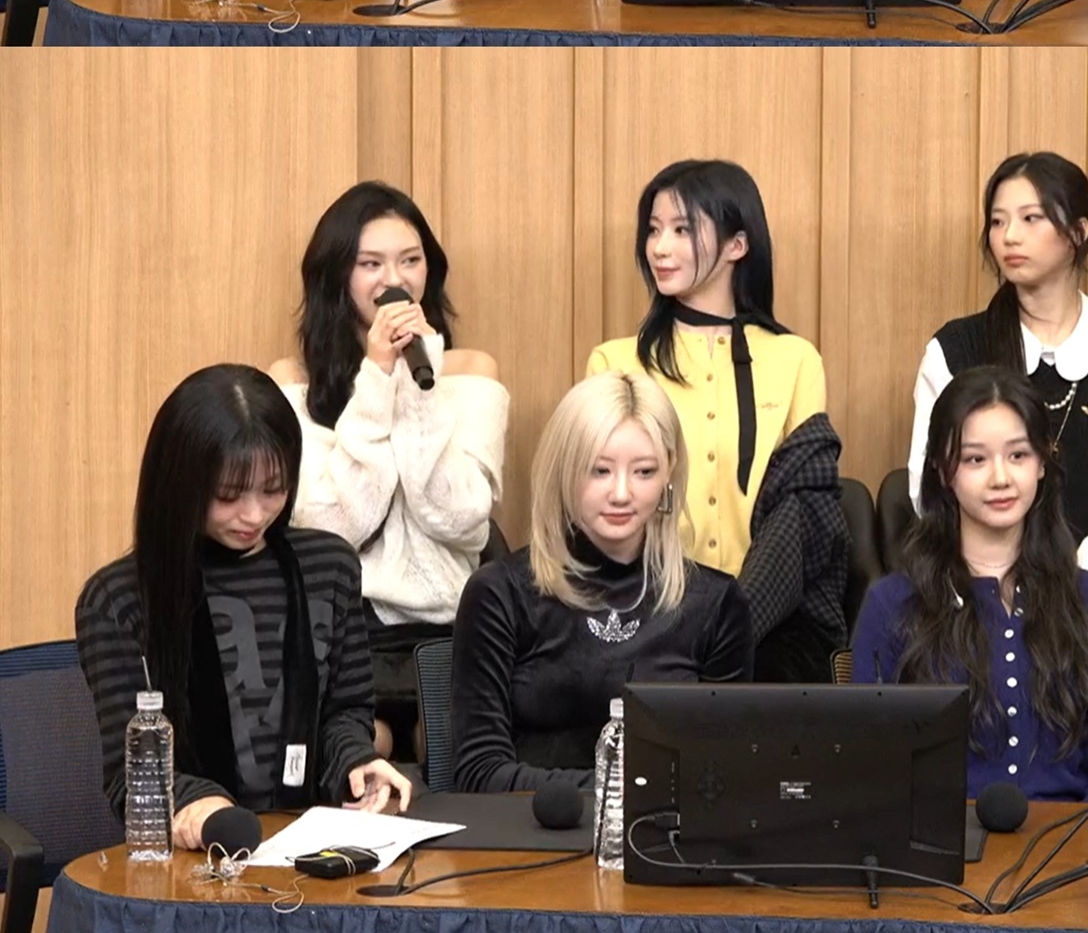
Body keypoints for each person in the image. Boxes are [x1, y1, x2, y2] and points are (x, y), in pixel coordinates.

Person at [75, 365, 411, 844]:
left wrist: (358, 762)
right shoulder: (119, 599)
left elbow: (345, 713)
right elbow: (131, 777)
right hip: (200, 858)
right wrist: (199, 804)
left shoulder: (330, 568)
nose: (254, 515)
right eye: (228, 495)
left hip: (314, 845)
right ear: (180, 485)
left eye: (273, 489)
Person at [268, 181, 507, 759]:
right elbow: (332, 530)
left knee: (446, 750)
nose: (393, 279)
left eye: (410, 260)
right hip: (348, 631)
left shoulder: (471, 373)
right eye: (370, 264)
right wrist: (376, 375)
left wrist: (418, 382)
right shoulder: (292, 383)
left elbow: (459, 518)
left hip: (450, 627)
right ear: (337, 275)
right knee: (363, 750)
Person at [586, 159, 847, 681]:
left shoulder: (795, 359)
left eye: (682, 230)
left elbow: (803, 510)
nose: (660, 248)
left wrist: (733, 625)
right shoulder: (614, 362)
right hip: (648, 612)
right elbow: (604, 501)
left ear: (737, 245)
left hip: (771, 627)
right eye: (654, 230)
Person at [449, 372, 751, 793]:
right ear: (564, 470)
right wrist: (622, 793)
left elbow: (725, 774)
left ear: (669, 471)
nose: (621, 493)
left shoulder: (716, 604)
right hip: (528, 826)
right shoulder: (499, 593)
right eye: (599, 470)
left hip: (664, 829)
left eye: (644, 471)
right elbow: (478, 772)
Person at [854, 367, 1088, 803]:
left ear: (1043, 463)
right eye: (975, 459)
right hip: (940, 840)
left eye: (1018, 455)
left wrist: (1084, 838)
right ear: (942, 470)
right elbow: (870, 760)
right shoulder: (891, 604)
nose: (1001, 478)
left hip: (1075, 839)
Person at [908, 152, 1088, 583]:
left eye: (1030, 218)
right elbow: (930, 484)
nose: (1009, 236)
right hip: (978, 591)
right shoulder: (954, 351)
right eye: (997, 222)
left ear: (1078, 232)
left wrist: (1080, 575)